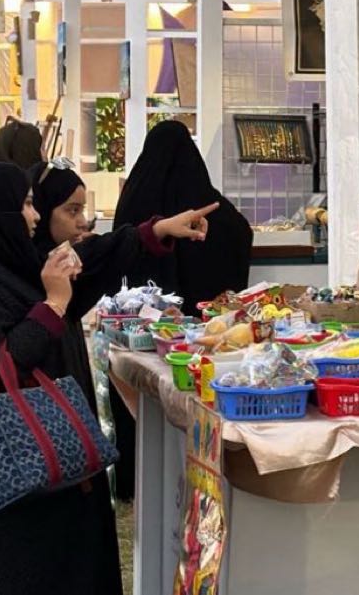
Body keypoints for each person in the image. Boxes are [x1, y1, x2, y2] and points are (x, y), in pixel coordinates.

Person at [0, 162, 123, 595]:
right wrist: (53, 304)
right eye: (26, 205)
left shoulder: (2, 267)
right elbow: (3, 368)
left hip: (35, 466)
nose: (34, 216)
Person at [29, 160, 218, 503]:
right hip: (38, 432)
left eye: (82, 210)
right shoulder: (22, 270)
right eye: (72, 210)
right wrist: (157, 229)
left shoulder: (57, 262)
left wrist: (158, 230)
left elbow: (102, 252)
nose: (82, 221)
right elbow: (102, 251)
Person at [114, 121, 253, 312]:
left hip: (144, 318)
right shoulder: (207, 202)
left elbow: (121, 246)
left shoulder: (135, 197)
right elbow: (240, 231)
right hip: (205, 320)